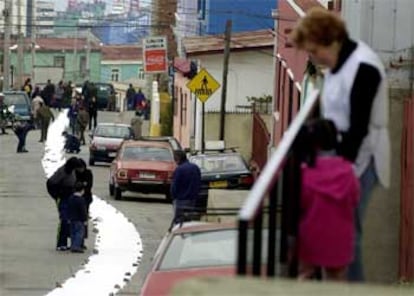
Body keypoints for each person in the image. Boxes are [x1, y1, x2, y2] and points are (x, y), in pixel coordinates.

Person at [291, 7, 390, 282]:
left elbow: (358, 128)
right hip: (341, 158)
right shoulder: (335, 65)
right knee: (339, 233)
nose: (312, 57)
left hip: (361, 158)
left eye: (313, 50)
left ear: (329, 40)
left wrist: (337, 169)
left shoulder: (363, 67)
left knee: (348, 238)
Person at [297, 119, 360, 281]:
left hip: (311, 235)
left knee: (304, 275)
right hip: (341, 237)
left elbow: (301, 204)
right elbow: (354, 199)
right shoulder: (348, 171)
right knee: (337, 279)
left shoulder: (305, 173)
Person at [46, 157, 82, 251]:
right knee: (64, 220)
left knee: (71, 220)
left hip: (70, 198)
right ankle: (61, 243)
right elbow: (50, 183)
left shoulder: (72, 171)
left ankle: (71, 243)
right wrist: (56, 196)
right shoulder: (62, 172)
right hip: (62, 199)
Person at [170, 150, 201, 224]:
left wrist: (173, 196)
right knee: (188, 221)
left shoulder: (179, 169)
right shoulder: (195, 167)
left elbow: (175, 186)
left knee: (179, 221)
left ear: (178, 159)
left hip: (181, 199)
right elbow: (199, 182)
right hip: (192, 199)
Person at [75, 158, 93, 249]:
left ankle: (81, 241)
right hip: (75, 199)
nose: (80, 170)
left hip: (86, 199)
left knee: (83, 221)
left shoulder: (88, 173)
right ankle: (76, 241)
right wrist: (83, 184)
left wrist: (81, 185)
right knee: (75, 221)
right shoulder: (74, 173)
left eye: (81, 168)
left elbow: (89, 185)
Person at [68, 181, 88, 253]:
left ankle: (73, 245)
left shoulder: (70, 198)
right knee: (79, 233)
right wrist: (85, 219)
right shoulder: (81, 200)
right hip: (79, 220)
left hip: (72, 219)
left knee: (73, 233)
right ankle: (76, 246)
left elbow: (68, 208)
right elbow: (83, 211)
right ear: (82, 190)